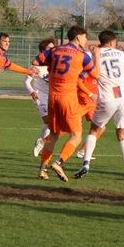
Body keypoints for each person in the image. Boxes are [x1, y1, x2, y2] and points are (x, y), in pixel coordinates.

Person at [34, 26, 96, 181]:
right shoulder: (82, 55)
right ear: (78, 37)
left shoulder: (54, 50)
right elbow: (95, 74)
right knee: (76, 135)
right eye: (85, 37)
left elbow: (35, 61)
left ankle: (42, 169)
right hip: (67, 97)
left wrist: (52, 66)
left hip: (52, 98)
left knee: (53, 134)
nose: (86, 40)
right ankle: (58, 162)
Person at [74, 30, 124, 181]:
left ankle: (86, 164)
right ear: (111, 42)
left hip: (106, 97)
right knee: (122, 134)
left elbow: (88, 74)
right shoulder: (121, 54)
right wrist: (122, 87)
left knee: (94, 130)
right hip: (122, 97)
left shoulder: (94, 54)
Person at [25, 38, 55, 156]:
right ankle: (42, 142)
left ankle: (41, 143)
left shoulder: (54, 65)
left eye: (53, 48)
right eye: (49, 49)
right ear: (43, 51)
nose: (52, 51)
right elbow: (26, 82)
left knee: (49, 124)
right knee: (50, 122)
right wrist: (32, 92)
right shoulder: (36, 67)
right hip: (40, 97)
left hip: (52, 97)